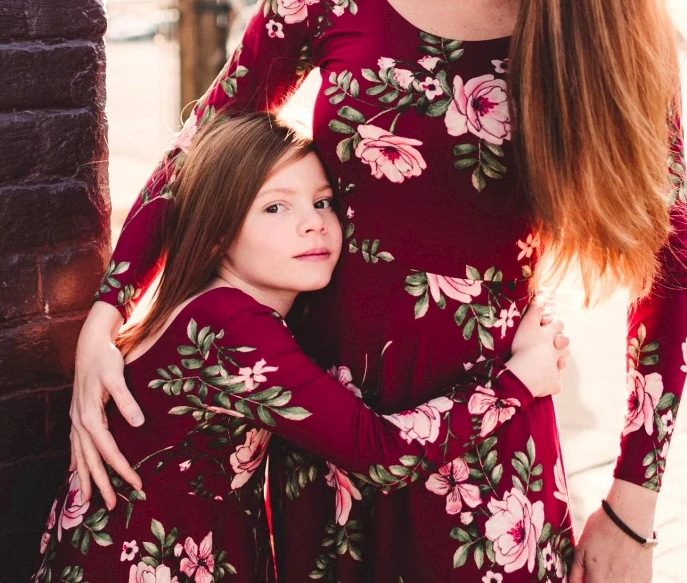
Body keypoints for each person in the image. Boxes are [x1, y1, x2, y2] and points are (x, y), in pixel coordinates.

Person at [72, 0, 687, 583]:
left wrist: (633, 507)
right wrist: (109, 310)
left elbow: (668, 269)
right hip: (320, 445)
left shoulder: (603, 28)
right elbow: (206, 139)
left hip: (487, 463)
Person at [36, 112, 569, 583]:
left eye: (322, 202)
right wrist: (521, 378)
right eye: (275, 207)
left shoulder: (222, 309)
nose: (312, 222)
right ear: (217, 234)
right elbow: (380, 454)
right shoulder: (228, 327)